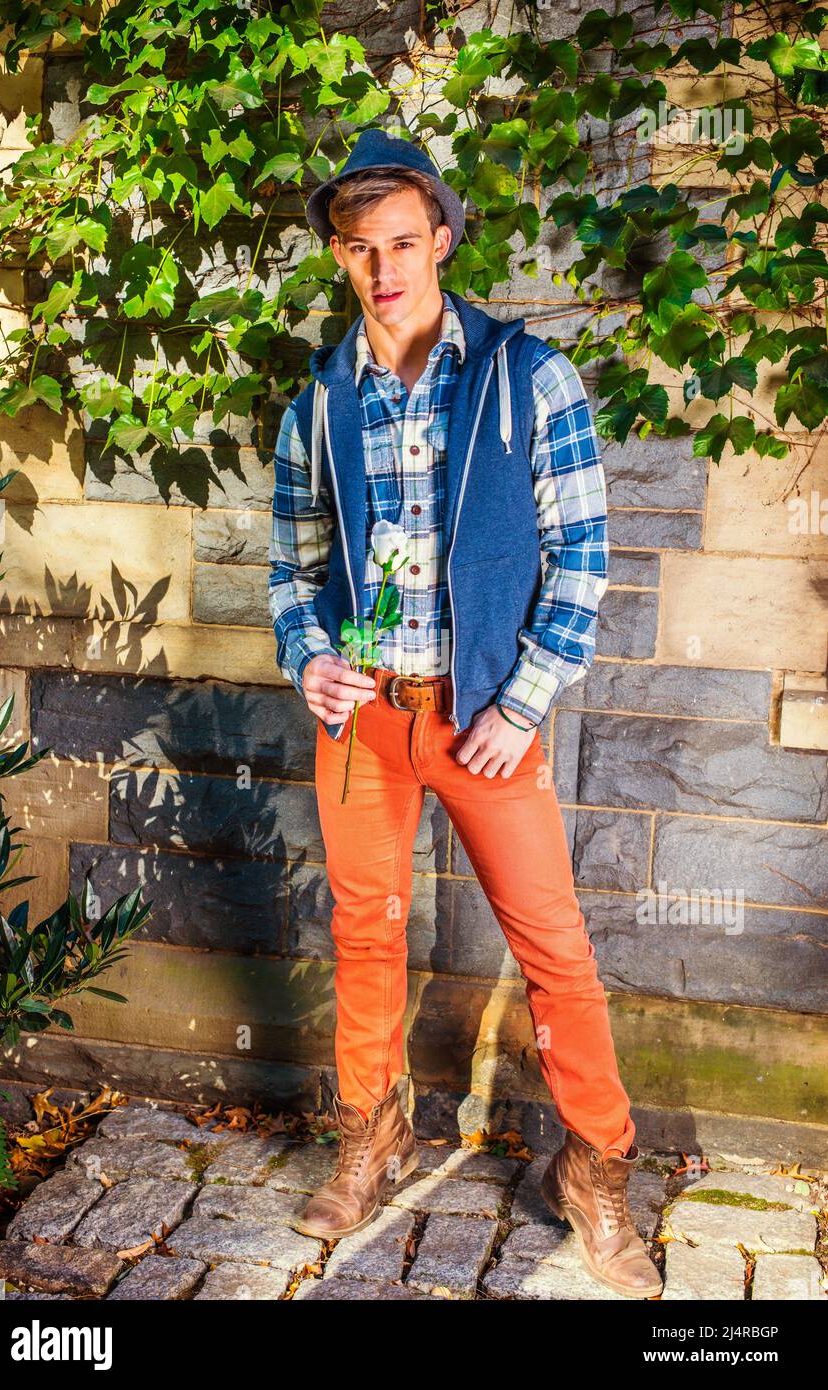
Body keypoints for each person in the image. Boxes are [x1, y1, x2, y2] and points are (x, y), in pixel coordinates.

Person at [267, 128, 662, 1298]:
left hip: (486, 715)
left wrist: (523, 699)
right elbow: (291, 568)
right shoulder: (320, 404)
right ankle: (373, 1131)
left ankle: (593, 1167)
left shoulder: (524, 373)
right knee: (365, 934)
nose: (384, 268)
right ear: (340, 259)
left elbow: (585, 557)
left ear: (440, 238)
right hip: (364, 726)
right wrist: (308, 659)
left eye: (402, 241)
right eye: (359, 248)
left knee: (552, 945)